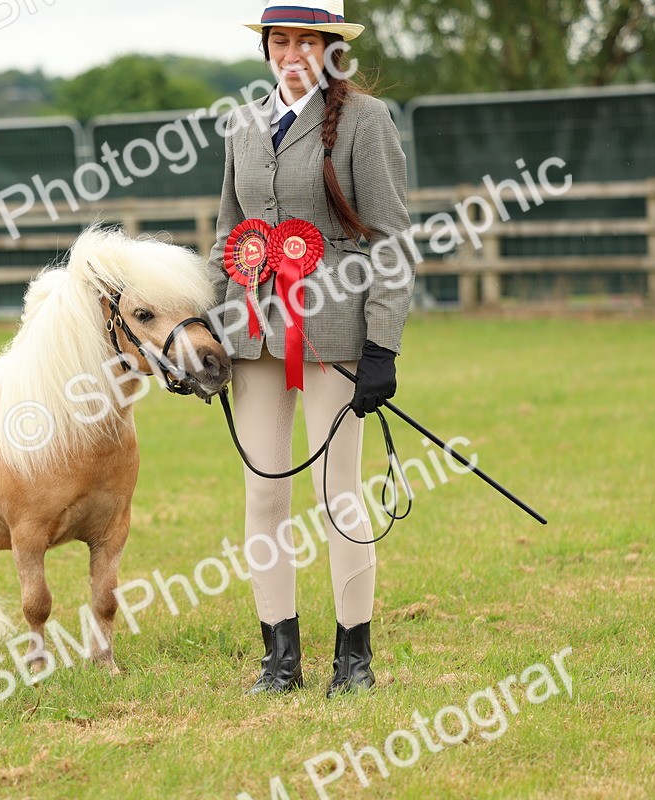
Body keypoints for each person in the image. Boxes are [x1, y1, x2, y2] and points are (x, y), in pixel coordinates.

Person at [206, 0, 415, 697]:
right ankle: (279, 657)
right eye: (281, 41)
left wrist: (381, 345)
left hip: (335, 335)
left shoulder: (365, 121)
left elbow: (390, 239)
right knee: (264, 494)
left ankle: (353, 661)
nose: (293, 54)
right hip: (254, 334)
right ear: (266, 47)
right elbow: (226, 236)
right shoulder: (241, 124)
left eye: (308, 41)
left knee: (337, 496)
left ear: (330, 49)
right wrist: (210, 330)